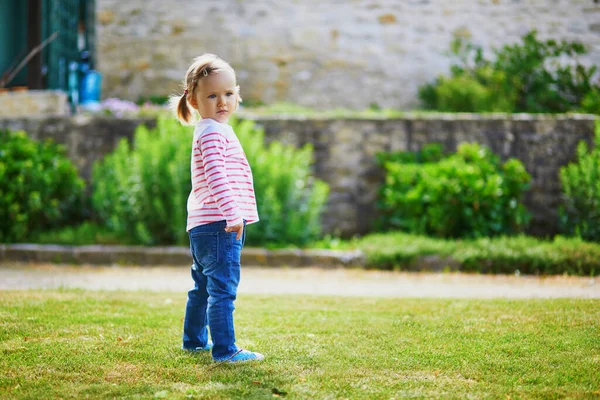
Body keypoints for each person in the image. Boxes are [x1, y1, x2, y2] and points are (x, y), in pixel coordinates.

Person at [170, 54, 263, 363]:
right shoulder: (211, 131)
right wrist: (233, 215)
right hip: (220, 224)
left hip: (204, 225)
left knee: (203, 286)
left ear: (237, 95)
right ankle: (225, 350)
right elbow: (216, 175)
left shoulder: (214, 129)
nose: (222, 101)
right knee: (222, 288)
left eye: (228, 94)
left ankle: (194, 341)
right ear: (194, 101)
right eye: (212, 95)